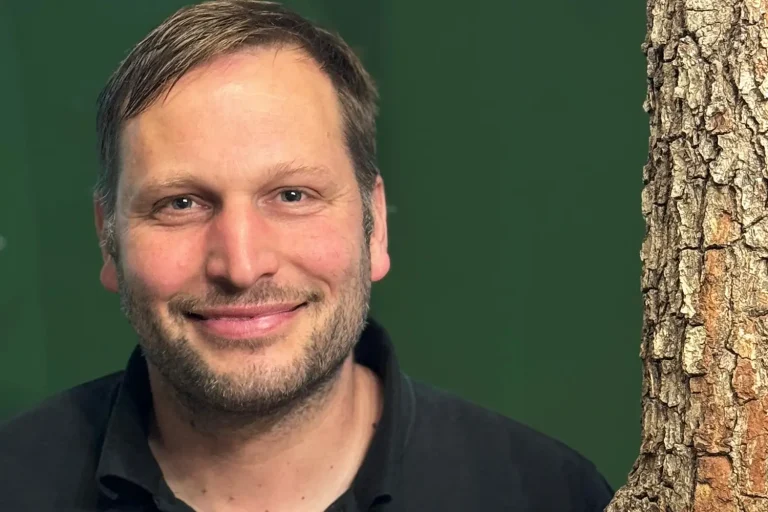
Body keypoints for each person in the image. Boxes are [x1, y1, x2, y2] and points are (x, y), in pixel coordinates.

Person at [0, 1, 614, 510]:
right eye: (181, 203)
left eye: (293, 195)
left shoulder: (548, 495)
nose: (240, 265)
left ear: (374, 228)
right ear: (108, 239)